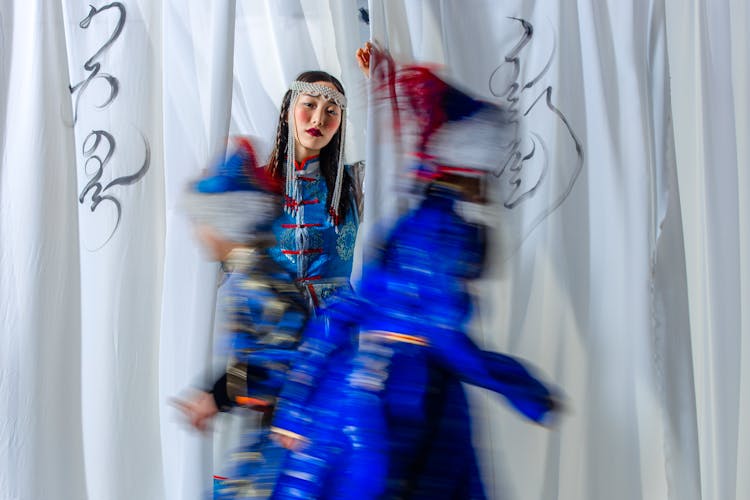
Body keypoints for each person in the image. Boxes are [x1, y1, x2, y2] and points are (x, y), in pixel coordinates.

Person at [265, 65, 560, 499]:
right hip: (375, 381)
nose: (318, 118)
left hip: (347, 367)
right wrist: (520, 386)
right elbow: (438, 330)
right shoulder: (438, 230)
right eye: (309, 105)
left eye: (332, 110)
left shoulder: (355, 187)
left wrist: (299, 398)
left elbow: (344, 308)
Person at [173, 137, 310, 498]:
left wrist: (216, 396)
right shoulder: (248, 273)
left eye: (201, 221)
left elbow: (280, 357)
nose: (196, 231)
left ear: (226, 223)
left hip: (290, 426)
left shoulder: (257, 278)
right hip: (276, 424)